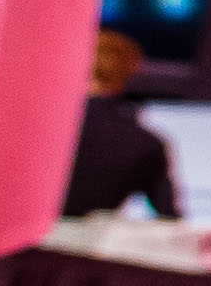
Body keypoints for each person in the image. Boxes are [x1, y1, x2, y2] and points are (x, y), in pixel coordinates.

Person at [61, 29, 180, 219]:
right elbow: (169, 218)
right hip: (90, 236)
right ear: (129, 72)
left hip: (27, 234)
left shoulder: (42, 129)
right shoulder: (145, 143)